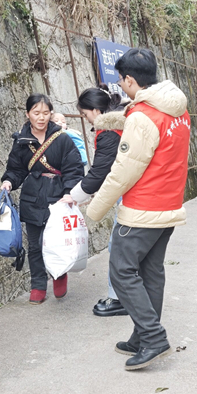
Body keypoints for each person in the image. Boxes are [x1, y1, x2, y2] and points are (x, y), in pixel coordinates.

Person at [86, 48, 191, 371]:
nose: (121, 85)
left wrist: (94, 209)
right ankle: (141, 335)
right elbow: (140, 122)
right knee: (150, 271)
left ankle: (153, 336)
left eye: (121, 80)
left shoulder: (144, 117)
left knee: (121, 270)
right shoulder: (177, 110)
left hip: (142, 208)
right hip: (169, 204)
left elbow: (123, 170)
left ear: (130, 80)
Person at [1, 94, 84, 304]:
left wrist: (69, 192)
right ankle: (38, 284)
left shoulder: (62, 139)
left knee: (56, 242)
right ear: (28, 113)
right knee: (36, 245)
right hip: (32, 195)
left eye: (46, 113)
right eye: (36, 113)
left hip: (58, 197)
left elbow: (74, 168)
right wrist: (9, 182)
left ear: (51, 114)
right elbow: (15, 169)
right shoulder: (21, 141)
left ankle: (58, 275)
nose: (41, 117)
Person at [68, 85, 127, 317]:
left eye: (84, 114)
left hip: (130, 196)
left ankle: (118, 299)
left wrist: (73, 197)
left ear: (94, 110)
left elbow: (100, 171)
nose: (86, 119)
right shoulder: (123, 122)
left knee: (118, 246)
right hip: (141, 192)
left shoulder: (109, 131)